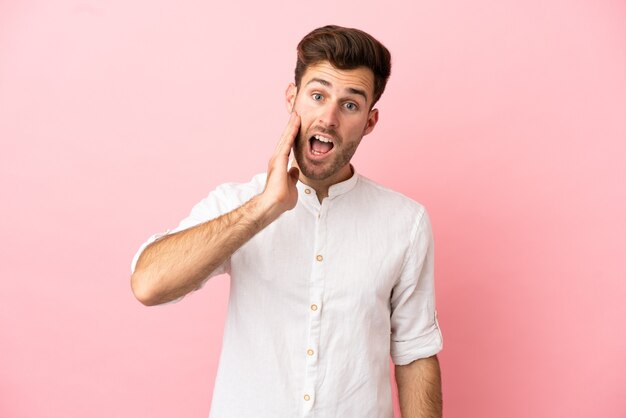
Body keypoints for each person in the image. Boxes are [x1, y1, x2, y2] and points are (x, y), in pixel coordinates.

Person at [131, 25, 443, 418]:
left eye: (350, 104)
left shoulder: (406, 223)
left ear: (369, 121)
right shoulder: (238, 204)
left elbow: (415, 354)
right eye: (317, 96)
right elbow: (148, 284)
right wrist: (264, 208)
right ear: (291, 99)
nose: (328, 118)